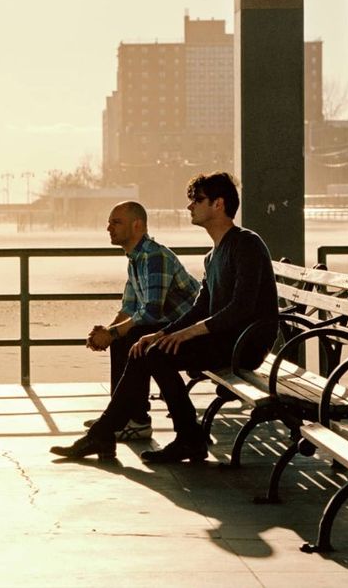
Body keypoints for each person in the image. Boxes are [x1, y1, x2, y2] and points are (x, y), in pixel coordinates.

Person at [52, 172, 278, 462]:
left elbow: (241, 308)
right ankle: (114, 432)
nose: (190, 206)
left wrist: (186, 333)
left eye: (197, 200)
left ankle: (166, 435)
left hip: (245, 345)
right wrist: (161, 333)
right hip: (224, 340)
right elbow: (200, 307)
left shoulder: (246, 244)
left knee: (156, 355)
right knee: (148, 347)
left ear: (218, 204)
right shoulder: (213, 255)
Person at [83, 201, 199, 441]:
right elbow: (129, 308)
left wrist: (112, 333)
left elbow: (151, 312)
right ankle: (120, 416)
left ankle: (134, 419)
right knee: (123, 337)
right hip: (170, 329)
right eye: (109, 223)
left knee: (132, 337)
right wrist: (108, 332)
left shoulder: (155, 256)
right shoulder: (136, 258)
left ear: (137, 225)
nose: (109, 228)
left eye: (116, 222)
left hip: (190, 333)